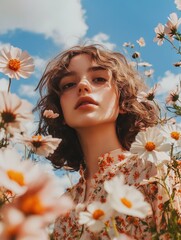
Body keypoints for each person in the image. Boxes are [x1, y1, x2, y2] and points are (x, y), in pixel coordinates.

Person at [35, 44, 180, 239]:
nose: (83, 86)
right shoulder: (63, 208)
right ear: (60, 113)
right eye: (68, 84)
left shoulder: (156, 170)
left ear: (123, 102)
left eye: (99, 79)